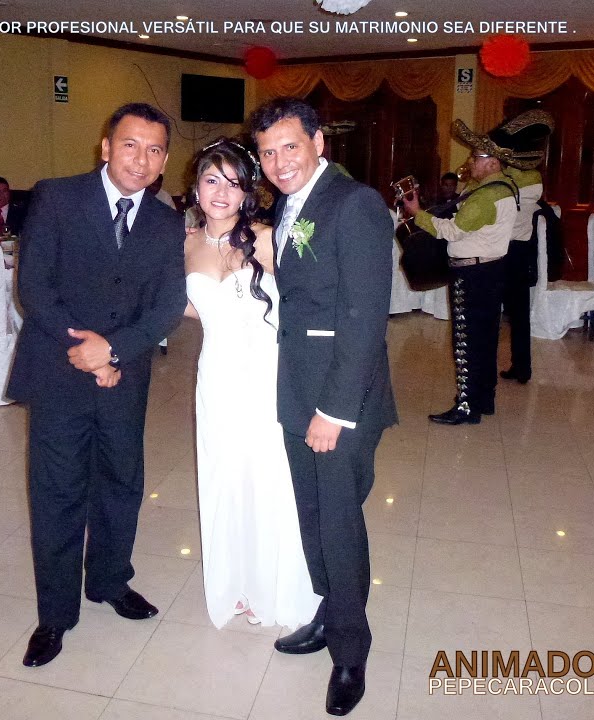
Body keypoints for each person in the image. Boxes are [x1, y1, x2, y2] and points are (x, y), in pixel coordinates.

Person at [5, 102, 187, 669]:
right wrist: (85, 350)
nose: (141, 159)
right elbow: (34, 288)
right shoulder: (57, 197)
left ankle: (110, 580)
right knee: (58, 493)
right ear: (106, 147)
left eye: (154, 150)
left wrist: (113, 351)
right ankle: (56, 615)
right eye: (130, 145)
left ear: (164, 161)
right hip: (58, 371)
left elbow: (167, 306)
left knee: (121, 484)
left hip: (124, 377)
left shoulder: (165, 221)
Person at [249, 97, 397, 717]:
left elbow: (364, 316)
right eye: (267, 152)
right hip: (297, 389)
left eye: (290, 146)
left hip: (341, 398)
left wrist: (334, 411)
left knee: (337, 520)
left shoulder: (354, 203)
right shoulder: (287, 206)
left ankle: (350, 650)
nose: (279, 161)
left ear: (318, 144)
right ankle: (329, 610)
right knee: (311, 513)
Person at [182, 137, 321, 631]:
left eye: (233, 182)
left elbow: (310, 296)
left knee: (270, 477)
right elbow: (187, 306)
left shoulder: (267, 237)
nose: (222, 192)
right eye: (211, 180)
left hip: (268, 374)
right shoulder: (186, 244)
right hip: (217, 376)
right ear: (195, 188)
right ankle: (237, 582)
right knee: (225, 476)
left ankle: (274, 586)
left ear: (247, 191)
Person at [403, 109, 553, 424]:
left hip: (472, 275)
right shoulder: (506, 188)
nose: (470, 162)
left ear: (493, 162)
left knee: (466, 341)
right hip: (491, 271)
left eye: (477, 157)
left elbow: (452, 231)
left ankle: (467, 407)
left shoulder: (485, 196)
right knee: (485, 339)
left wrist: (417, 213)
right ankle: (483, 399)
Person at [498, 119, 555, 385]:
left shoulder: (511, 178)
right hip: (520, 251)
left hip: (503, 250)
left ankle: (490, 369)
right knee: (519, 315)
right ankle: (522, 367)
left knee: (492, 313)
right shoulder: (533, 177)